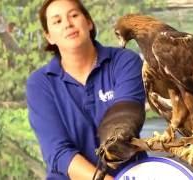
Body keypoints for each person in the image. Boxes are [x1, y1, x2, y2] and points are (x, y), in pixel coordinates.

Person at [26, 0, 146, 179]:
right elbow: (58, 153)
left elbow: (125, 118)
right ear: (49, 36)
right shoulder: (39, 83)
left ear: (89, 22)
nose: (68, 24)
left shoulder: (125, 61)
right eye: (57, 21)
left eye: (74, 15)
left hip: (130, 174)